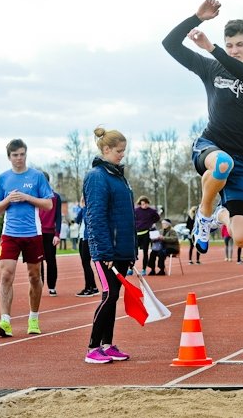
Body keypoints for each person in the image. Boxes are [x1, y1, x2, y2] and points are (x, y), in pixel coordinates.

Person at [163, 0, 243, 255]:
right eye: (230, 46)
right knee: (223, 163)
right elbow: (169, 44)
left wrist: (214, 49)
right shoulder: (210, 67)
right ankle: (204, 215)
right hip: (212, 146)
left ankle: (219, 215)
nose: (234, 50)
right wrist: (197, 18)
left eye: (240, 45)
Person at [83, 126, 135, 364]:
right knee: (108, 294)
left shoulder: (118, 177)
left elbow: (126, 216)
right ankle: (93, 347)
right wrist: (104, 251)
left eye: (124, 150)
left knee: (114, 297)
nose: (122, 154)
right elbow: (95, 216)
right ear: (106, 149)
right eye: (119, 151)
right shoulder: (97, 177)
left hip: (121, 250)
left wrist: (130, 252)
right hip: (105, 251)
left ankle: (107, 344)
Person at [0, 139, 53, 337]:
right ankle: (5, 322)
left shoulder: (36, 177)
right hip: (10, 233)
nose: (19, 158)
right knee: (6, 274)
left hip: (32, 234)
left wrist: (27, 197)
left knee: (34, 276)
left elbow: (48, 205)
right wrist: (8, 199)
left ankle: (33, 318)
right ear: (9, 157)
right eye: (15, 155)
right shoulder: (3, 178)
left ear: (26, 154)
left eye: (22, 154)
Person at [39, 172, 62, 297]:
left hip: (50, 234)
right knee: (37, 262)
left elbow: (58, 217)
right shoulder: (34, 196)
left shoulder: (55, 197)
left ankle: (52, 286)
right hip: (37, 233)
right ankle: (39, 285)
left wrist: (57, 234)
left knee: (51, 261)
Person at [75, 197, 98, 297]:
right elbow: (77, 220)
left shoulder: (89, 209)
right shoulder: (83, 209)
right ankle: (93, 287)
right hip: (82, 238)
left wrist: (84, 207)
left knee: (86, 263)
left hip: (87, 238)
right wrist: (81, 207)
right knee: (85, 264)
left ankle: (89, 288)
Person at [134, 196, 161, 275]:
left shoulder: (151, 211)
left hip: (146, 233)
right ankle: (130, 268)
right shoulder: (136, 211)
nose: (144, 205)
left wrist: (151, 223)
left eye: (145, 204)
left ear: (148, 203)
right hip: (137, 233)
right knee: (134, 252)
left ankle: (143, 269)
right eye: (142, 204)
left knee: (145, 252)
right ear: (140, 204)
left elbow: (157, 218)